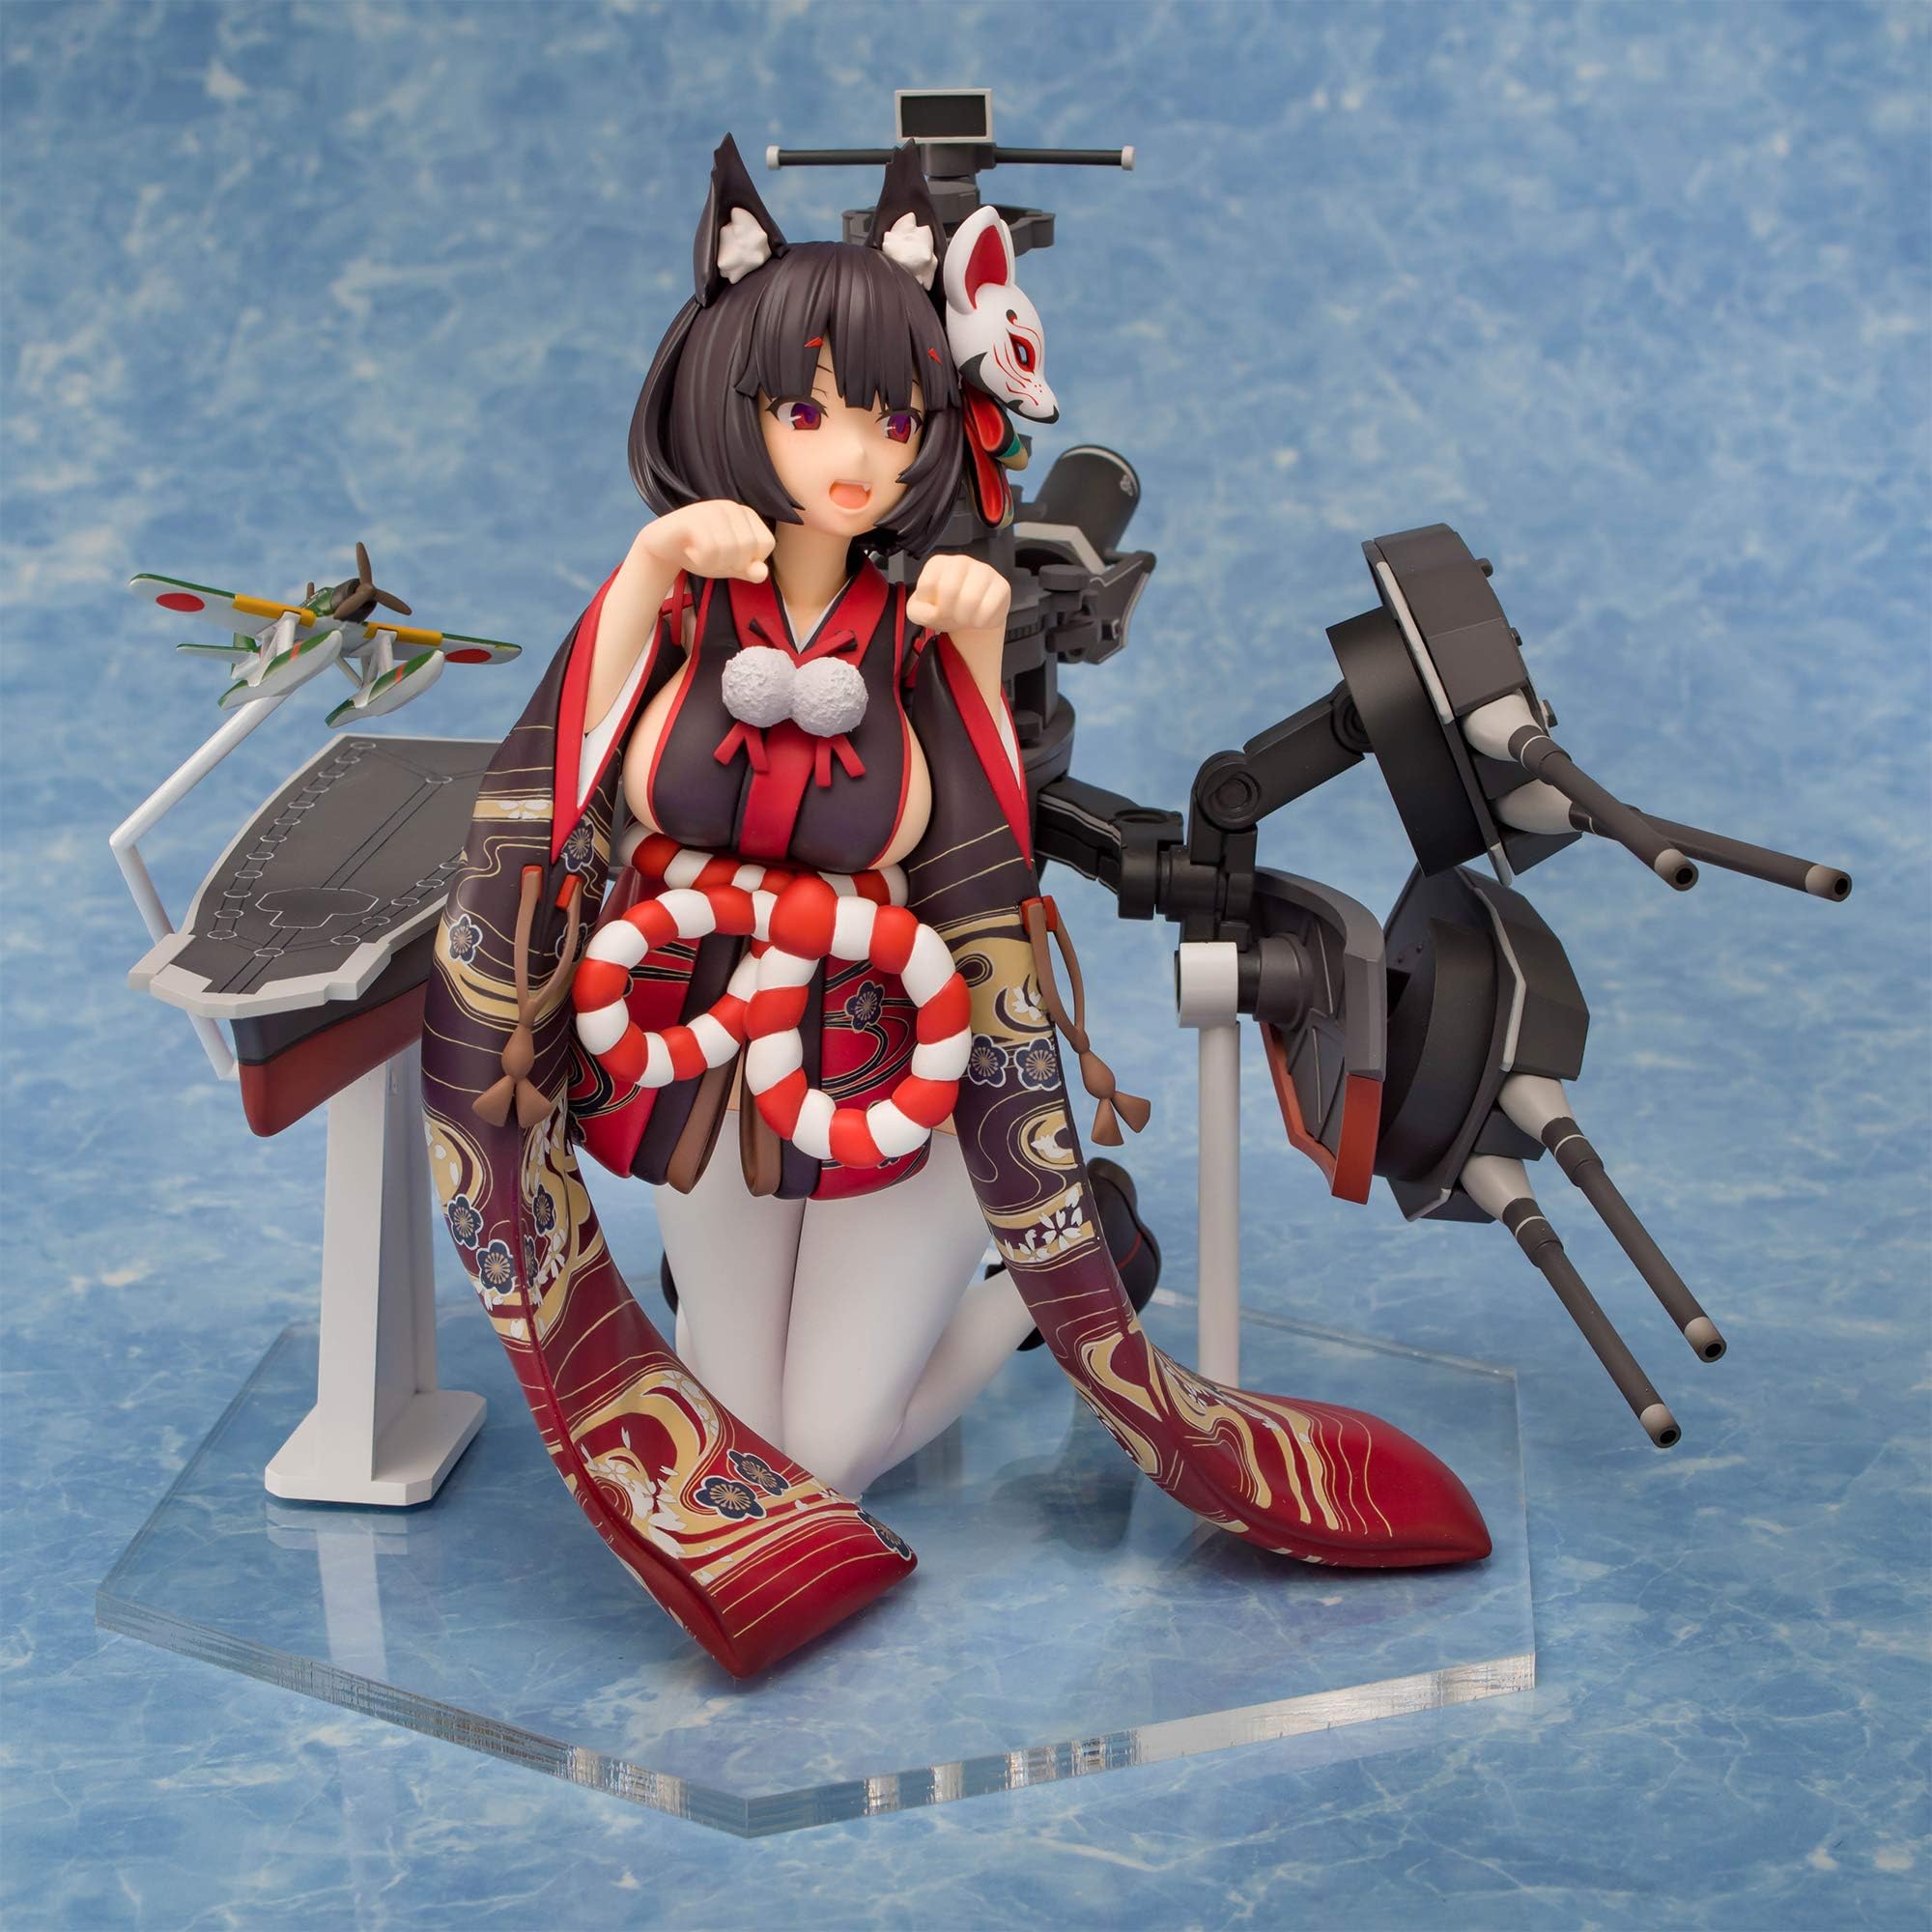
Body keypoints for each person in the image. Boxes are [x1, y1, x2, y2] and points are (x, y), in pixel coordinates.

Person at [421, 137, 1490, 1679]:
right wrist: (651, 565)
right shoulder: (677, 602)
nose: (851, 452)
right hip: (706, 1047)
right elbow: (555, 773)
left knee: (825, 1452)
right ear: (730, 401)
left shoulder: (922, 620)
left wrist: (978, 646)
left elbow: (981, 845)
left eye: (888, 413)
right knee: (733, 1435)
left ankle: (1029, 1299)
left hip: (886, 1053)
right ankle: (865, 1343)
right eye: (806, 412)